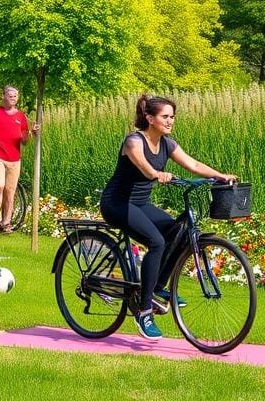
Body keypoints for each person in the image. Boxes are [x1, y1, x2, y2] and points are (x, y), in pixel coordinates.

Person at [99, 94, 237, 342]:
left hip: (140, 204)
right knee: (157, 242)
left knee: (180, 232)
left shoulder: (167, 144)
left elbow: (192, 163)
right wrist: (156, 174)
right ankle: (144, 311)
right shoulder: (133, 141)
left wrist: (218, 176)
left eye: (172, 116)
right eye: (165, 116)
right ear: (150, 118)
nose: (170, 120)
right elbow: (144, 167)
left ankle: (157, 288)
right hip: (117, 204)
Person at [0, 86, 39, 235]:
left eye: (15, 96)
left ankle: (6, 223)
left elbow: (24, 140)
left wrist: (32, 133)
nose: (13, 98)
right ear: (3, 96)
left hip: (14, 159)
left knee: (10, 191)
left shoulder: (21, 116)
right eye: (10, 95)